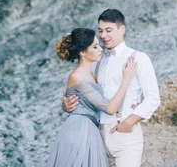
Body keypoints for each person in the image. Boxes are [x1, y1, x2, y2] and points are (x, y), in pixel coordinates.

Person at [62, 9, 161, 167]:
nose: (103, 36)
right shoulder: (96, 61)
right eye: (100, 31)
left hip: (124, 135)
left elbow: (153, 98)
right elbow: (83, 90)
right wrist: (67, 105)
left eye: (109, 30)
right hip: (98, 136)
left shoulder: (139, 58)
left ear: (122, 29)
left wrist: (129, 122)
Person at [47, 28, 137, 167]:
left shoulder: (91, 73)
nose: (100, 49)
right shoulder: (77, 76)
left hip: (89, 129)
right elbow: (109, 108)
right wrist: (127, 79)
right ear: (83, 52)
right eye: (95, 46)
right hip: (80, 131)